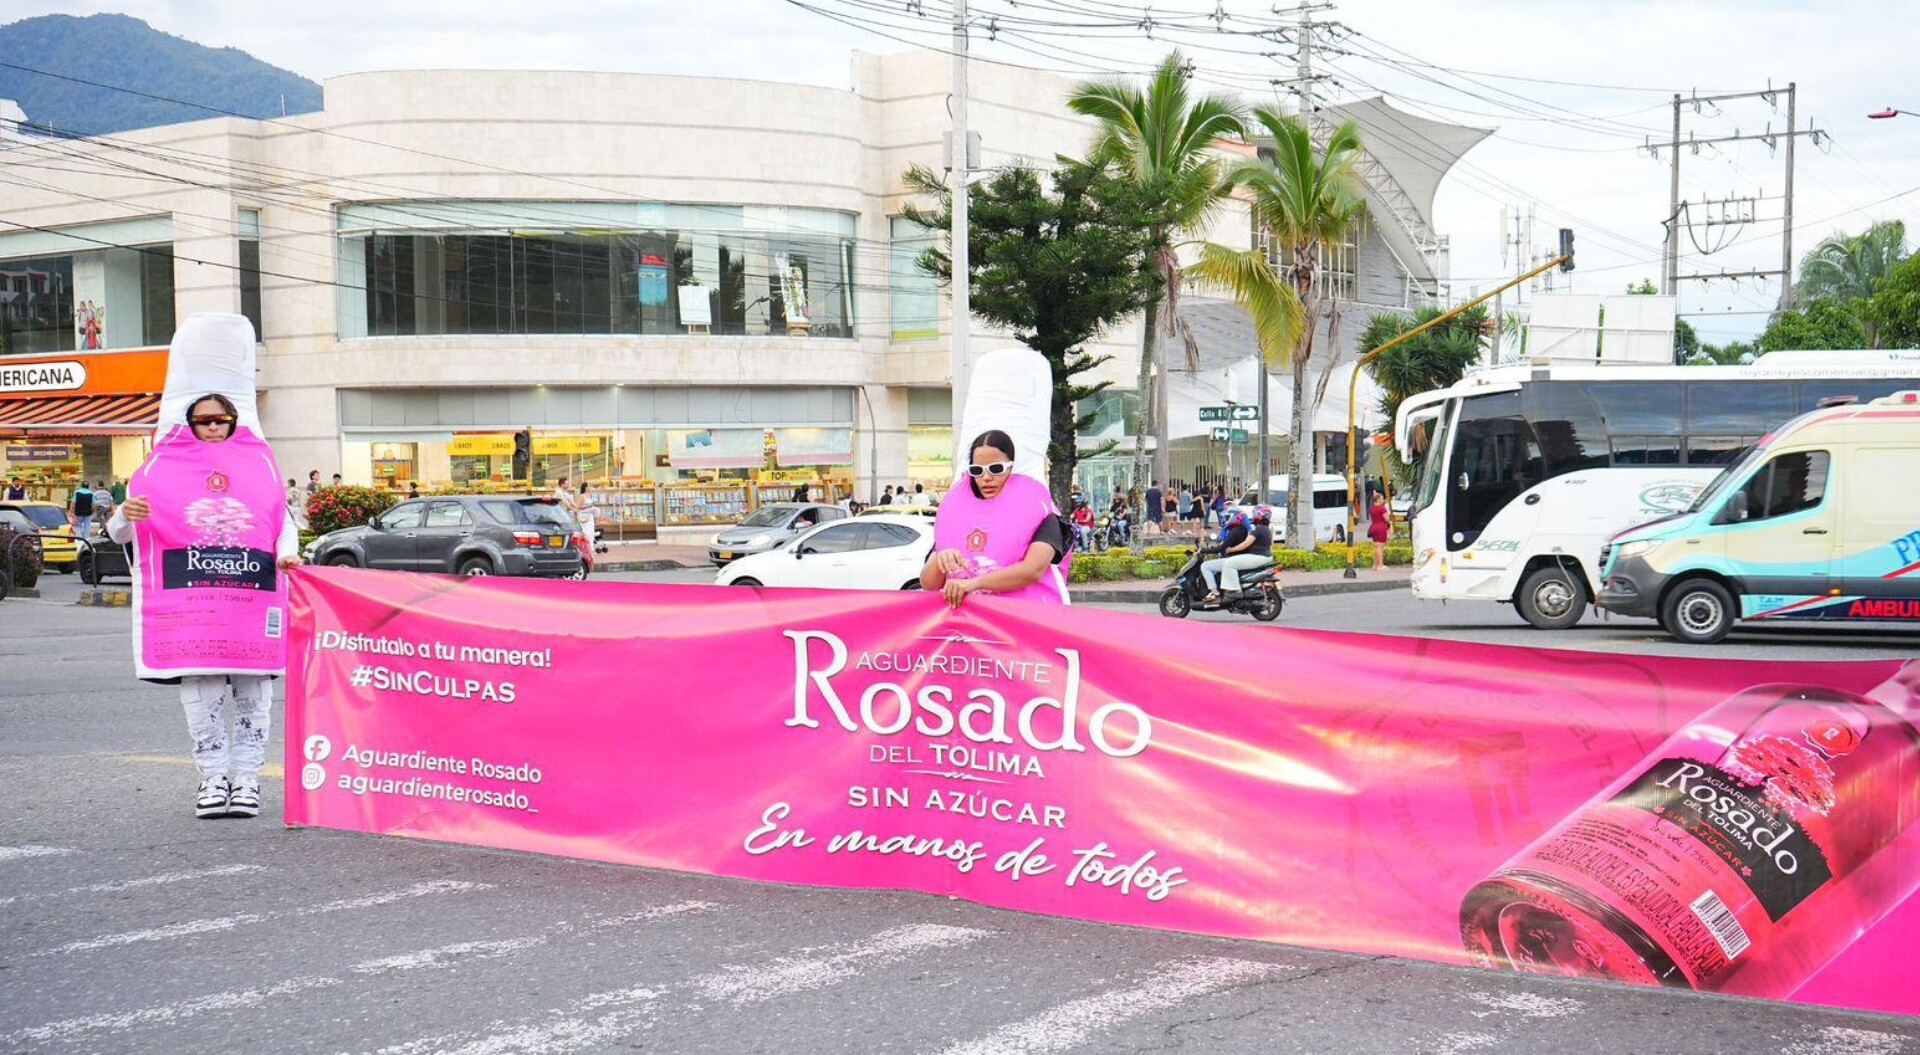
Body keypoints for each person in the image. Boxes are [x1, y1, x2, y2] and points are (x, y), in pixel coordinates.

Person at [109, 392, 301, 820]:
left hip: (252, 602)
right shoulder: (161, 471)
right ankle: (213, 779)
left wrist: (288, 555)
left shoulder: (259, 467)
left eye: (223, 419)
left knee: (255, 694)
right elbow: (118, 533)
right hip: (194, 606)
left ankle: (247, 780)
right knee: (203, 696)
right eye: (205, 420)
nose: (214, 427)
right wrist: (126, 513)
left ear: (234, 422)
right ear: (190, 424)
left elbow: (281, 522)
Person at [921, 430, 1069, 607]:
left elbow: (1033, 570)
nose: (986, 478)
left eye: (996, 469)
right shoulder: (953, 517)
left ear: (1012, 467)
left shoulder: (1041, 513)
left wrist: (974, 583)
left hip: (1022, 620)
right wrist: (941, 560)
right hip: (968, 625)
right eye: (977, 470)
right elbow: (929, 584)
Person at [1201, 507, 1270, 605]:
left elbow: (1245, 544)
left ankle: (1233, 591)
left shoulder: (1248, 530)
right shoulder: (1259, 529)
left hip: (1256, 556)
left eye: (1228, 516)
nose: (1225, 519)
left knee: (1229, 564)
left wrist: (1230, 550)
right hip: (1260, 556)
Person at [1368, 489, 1392, 571]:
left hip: (1374, 527)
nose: (1383, 500)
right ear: (1378, 500)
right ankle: (1380, 565)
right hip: (1381, 527)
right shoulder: (1382, 509)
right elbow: (1387, 519)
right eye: (1382, 499)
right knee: (1380, 547)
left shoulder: (1372, 508)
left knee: (1376, 547)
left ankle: (1375, 564)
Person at [578, 481, 602, 553]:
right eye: (589, 486)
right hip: (584, 516)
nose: (590, 488)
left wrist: (595, 510)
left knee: (591, 532)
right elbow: (578, 507)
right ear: (585, 488)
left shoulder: (589, 495)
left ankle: (591, 549)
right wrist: (588, 506)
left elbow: (591, 505)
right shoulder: (582, 496)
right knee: (586, 533)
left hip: (590, 516)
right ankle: (585, 548)